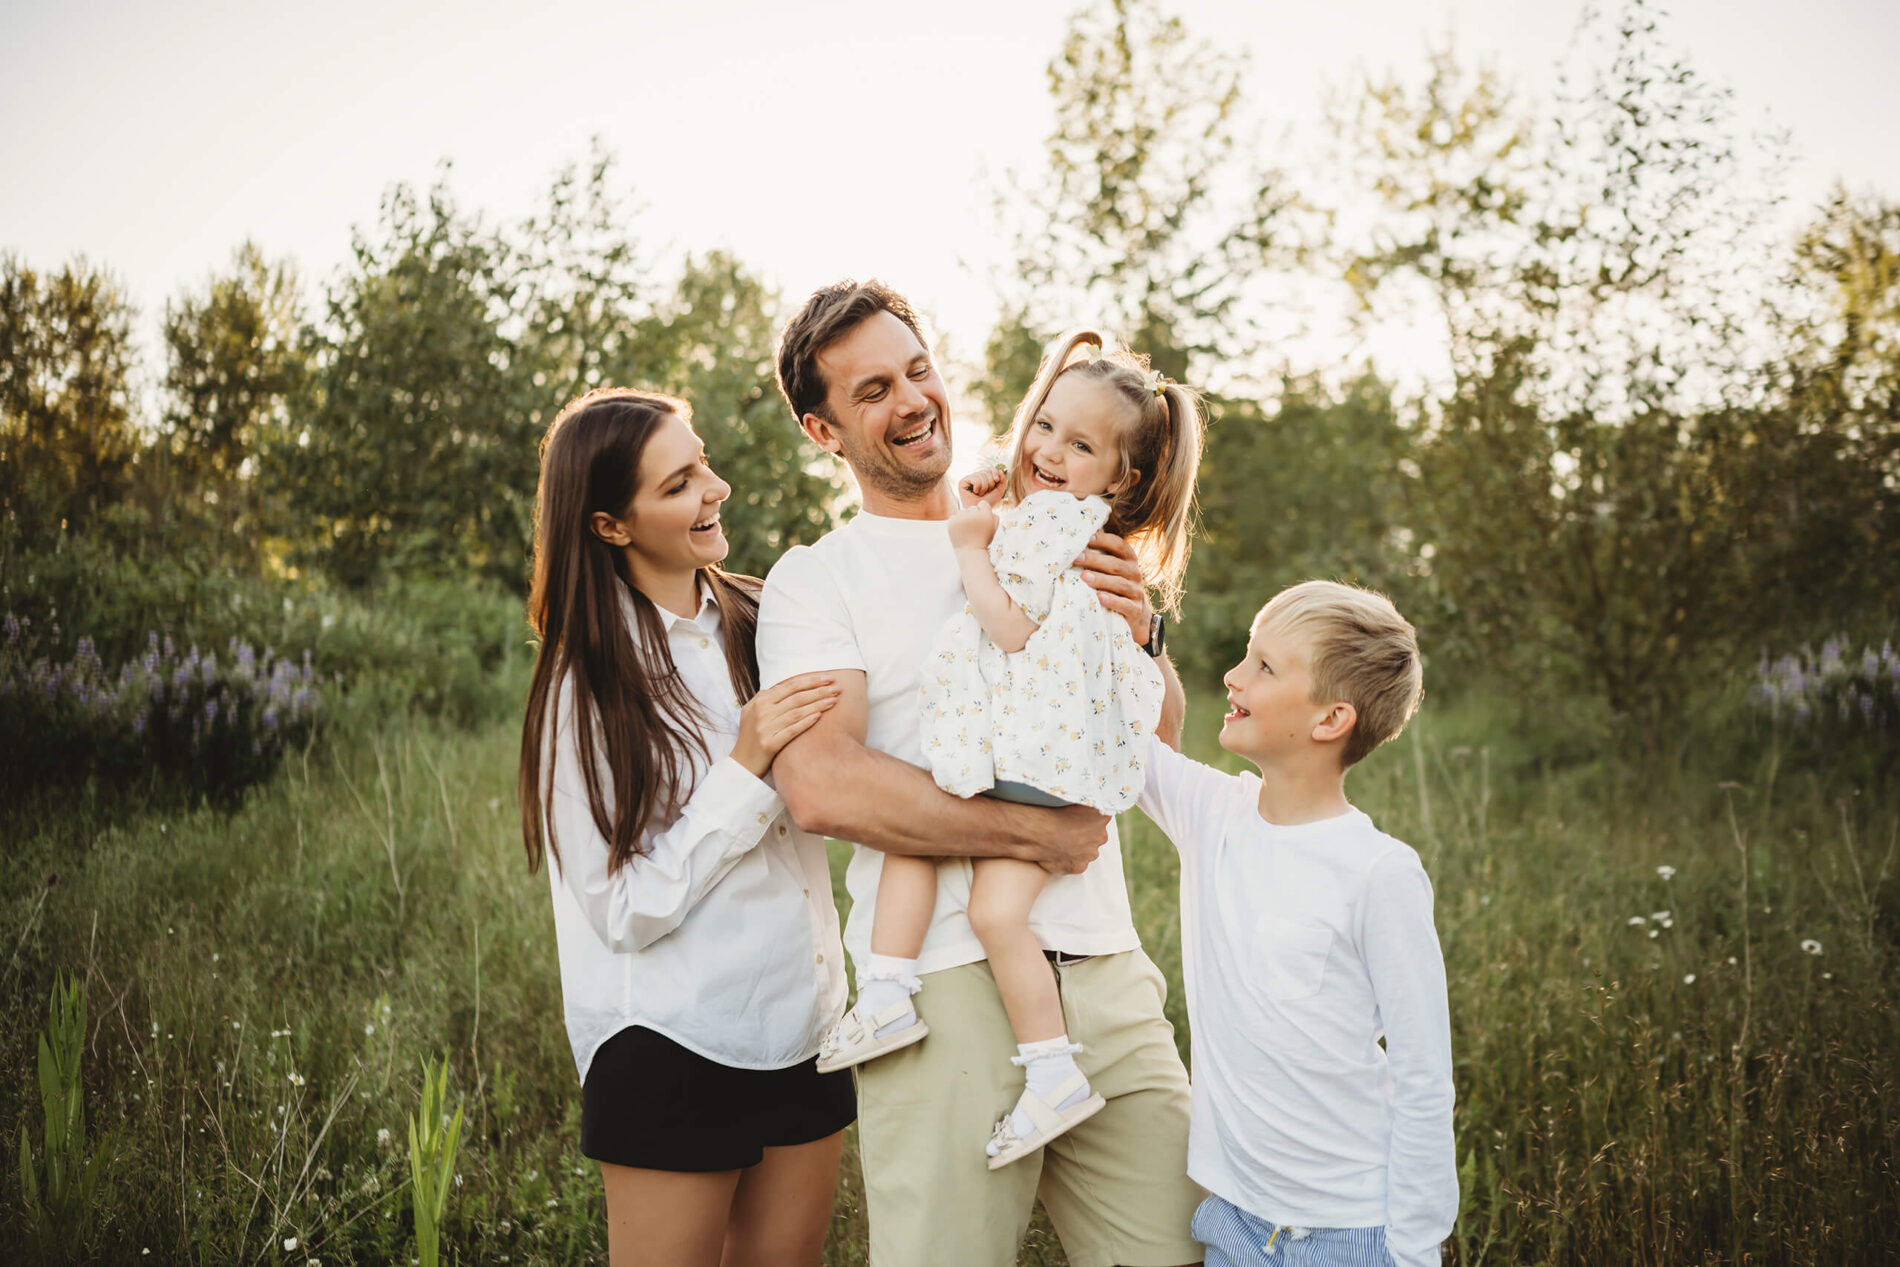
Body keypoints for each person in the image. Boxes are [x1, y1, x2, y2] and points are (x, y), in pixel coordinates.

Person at [757, 280, 1206, 1267]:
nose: (913, 400)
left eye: (918, 369)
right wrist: (1030, 835)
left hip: (1106, 970)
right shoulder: (818, 577)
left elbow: (1157, 736)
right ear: (822, 429)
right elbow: (826, 784)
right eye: (872, 389)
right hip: (944, 987)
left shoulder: (1062, 522)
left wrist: (1147, 628)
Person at [517, 388, 854, 1267]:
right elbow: (621, 910)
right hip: (672, 1041)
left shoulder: (767, 621)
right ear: (609, 525)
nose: (718, 487)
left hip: (808, 1026)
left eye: (702, 461)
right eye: (680, 483)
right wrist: (741, 771)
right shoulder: (580, 686)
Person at [1137, 580, 1457, 1267]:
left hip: (1352, 1236)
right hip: (1234, 1223)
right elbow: (1111, 734)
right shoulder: (1211, 813)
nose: (1233, 676)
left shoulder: (1379, 872)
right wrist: (1139, 631)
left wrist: (1413, 1249)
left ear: (1330, 719)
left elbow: (1425, 1077)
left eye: (1264, 666)